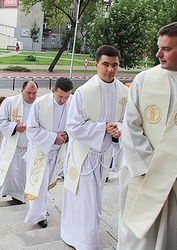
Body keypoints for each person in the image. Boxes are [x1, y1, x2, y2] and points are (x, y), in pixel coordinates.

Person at [117, 21, 177, 250]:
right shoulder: (145, 80)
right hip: (143, 174)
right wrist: (152, 169)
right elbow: (131, 126)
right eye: (159, 47)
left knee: (165, 240)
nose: (158, 54)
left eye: (166, 49)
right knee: (133, 237)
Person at [61, 45, 128, 249]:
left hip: (104, 155)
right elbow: (72, 126)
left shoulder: (124, 93)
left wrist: (119, 131)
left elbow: (127, 122)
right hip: (84, 156)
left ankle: (76, 235)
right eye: (106, 64)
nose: (110, 70)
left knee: (93, 201)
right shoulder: (84, 92)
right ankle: (86, 242)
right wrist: (102, 129)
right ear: (96, 64)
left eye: (115, 65)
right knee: (85, 201)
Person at [24, 77, 73, 228]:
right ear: (53, 91)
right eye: (60, 97)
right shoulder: (40, 104)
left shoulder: (72, 102)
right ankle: (38, 215)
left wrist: (66, 137)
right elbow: (31, 130)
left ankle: (41, 209)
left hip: (58, 152)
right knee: (38, 183)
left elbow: (75, 125)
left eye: (67, 97)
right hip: (41, 150)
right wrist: (53, 137)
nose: (63, 101)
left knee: (45, 184)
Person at [0, 80, 38, 204]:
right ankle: (13, 194)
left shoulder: (39, 104)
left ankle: (21, 196)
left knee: (26, 175)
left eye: (34, 93)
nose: (32, 96)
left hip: (30, 148)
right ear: (21, 90)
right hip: (13, 147)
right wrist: (14, 127)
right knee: (11, 173)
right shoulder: (10, 102)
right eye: (29, 92)